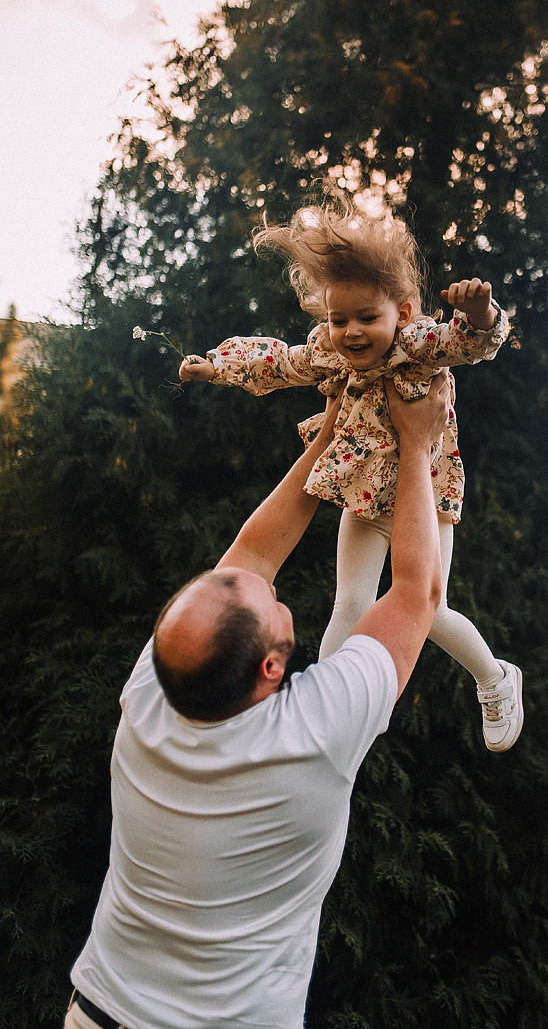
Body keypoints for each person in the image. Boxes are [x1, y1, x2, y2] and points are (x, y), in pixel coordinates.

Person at [67, 375, 455, 1029]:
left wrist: (329, 434)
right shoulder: (314, 734)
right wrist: (418, 448)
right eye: (270, 606)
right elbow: (415, 590)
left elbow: (249, 555)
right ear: (271, 668)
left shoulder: (153, 692)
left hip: (100, 1012)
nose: (270, 589)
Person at [179, 195, 523, 752]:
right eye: (339, 319)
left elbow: (471, 342)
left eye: (368, 318)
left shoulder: (418, 347)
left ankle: (495, 678)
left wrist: (481, 313)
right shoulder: (331, 352)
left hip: (426, 499)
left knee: (425, 608)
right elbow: (279, 361)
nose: (352, 332)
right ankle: (333, 710)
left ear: (404, 313)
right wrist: (219, 365)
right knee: (350, 602)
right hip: (364, 496)